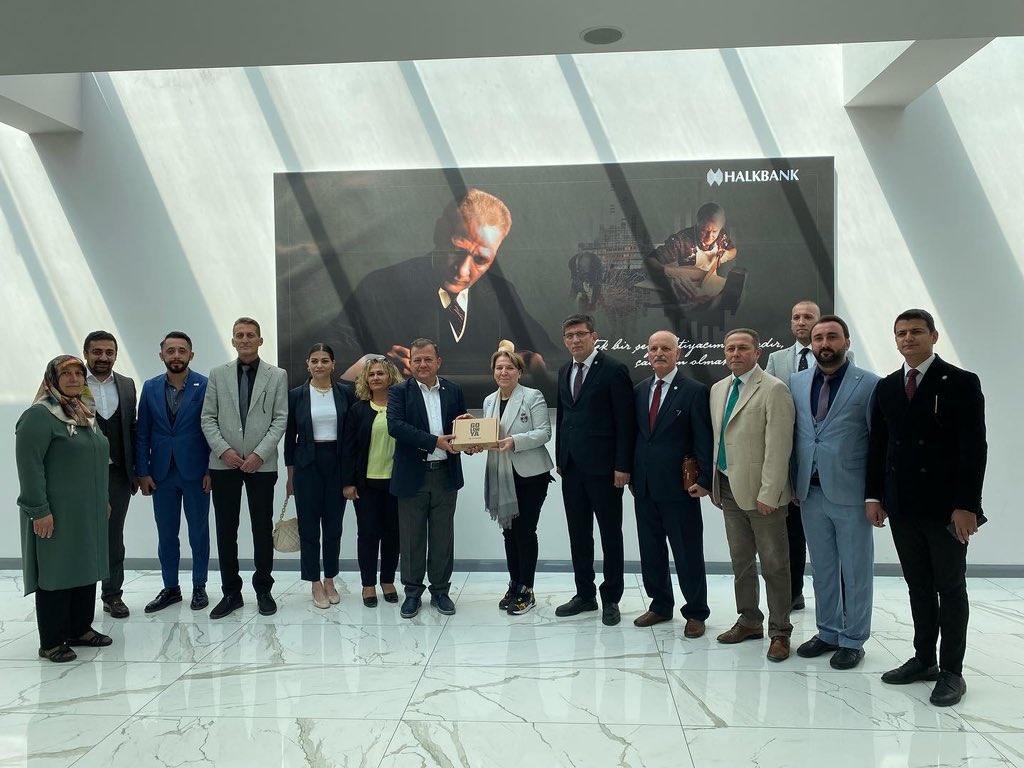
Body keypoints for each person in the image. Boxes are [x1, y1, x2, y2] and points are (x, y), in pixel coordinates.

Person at [325, 188, 560, 403]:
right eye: (457, 249)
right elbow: (328, 360)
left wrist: (530, 362)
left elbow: (550, 358)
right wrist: (377, 365)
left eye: (481, 259)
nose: (462, 271)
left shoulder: (501, 294)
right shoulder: (379, 286)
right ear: (438, 232)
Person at [867, 309, 987, 707]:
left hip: (946, 508)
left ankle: (952, 671)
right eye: (901, 333)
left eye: (916, 331)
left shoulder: (961, 382)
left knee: (950, 587)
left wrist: (967, 505)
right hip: (902, 506)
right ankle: (924, 660)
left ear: (933, 336)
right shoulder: (887, 387)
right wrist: (874, 496)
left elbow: (974, 448)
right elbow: (879, 446)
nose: (908, 338)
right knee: (918, 586)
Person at [790, 316, 879, 670]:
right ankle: (828, 631)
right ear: (811, 344)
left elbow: (878, 442)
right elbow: (796, 435)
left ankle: (853, 639)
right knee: (823, 567)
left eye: (832, 337)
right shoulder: (796, 382)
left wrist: (874, 495)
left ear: (846, 341)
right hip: (809, 492)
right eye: (818, 338)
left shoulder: (869, 384)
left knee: (855, 570)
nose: (824, 343)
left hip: (851, 493)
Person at [16, 356, 112, 662]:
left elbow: (97, 460)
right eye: (66, 373)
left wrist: (103, 499)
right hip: (55, 512)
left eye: (78, 373)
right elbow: (29, 466)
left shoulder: (85, 413)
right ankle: (52, 641)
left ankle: (80, 629)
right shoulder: (39, 416)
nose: (73, 379)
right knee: (56, 571)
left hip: (87, 511)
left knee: (85, 566)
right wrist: (39, 510)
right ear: (52, 379)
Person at [710, 328, 795, 662]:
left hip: (763, 494)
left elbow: (779, 447)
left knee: (774, 565)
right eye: (730, 348)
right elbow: (719, 440)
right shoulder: (718, 389)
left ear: (757, 353)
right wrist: (714, 483)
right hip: (728, 487)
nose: (735, 354)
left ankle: (780, 631)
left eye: (743, 348)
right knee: (741, 562)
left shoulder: (774, 389)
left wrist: (769, 492)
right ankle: (748, 620)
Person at [201, 317, 289, 619]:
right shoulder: (218, 374)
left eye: (251, 335)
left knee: (262, 528)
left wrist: (259, 454)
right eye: (240, 335)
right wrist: (224, 451)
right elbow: (207, 417)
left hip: (260, 465)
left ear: (260, 340)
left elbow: (280, 418)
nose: (245, 339)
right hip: (223, 463)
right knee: (226, 529)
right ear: (233, 341)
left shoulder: (277, 375)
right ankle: (231, 593)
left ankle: (263, 589)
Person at [630, 331, 714, 638]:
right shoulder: (639, 390)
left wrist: (705, 480)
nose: (659, 353)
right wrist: (630, 474)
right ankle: (660, 604)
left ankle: (696, 612)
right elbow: (636, 436)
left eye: (666, 348)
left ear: (677, 354)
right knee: (650, 549)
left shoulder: (694, 391)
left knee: (687, 551)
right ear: (647, 354)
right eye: (653, 348)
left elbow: (704, 438)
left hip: (681, 487)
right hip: (644, 486)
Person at [554, 314, 634, 627]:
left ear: (594, 336)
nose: (575, 340)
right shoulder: (564, 370)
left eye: (580, 334)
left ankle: (611, 597)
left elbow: (625, 421)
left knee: (610, 534)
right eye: (569, 335)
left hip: (605, 469)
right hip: (572, 467)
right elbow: (564, 417)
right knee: (578, 533)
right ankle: (584, 594)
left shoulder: (614, 369)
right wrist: (561, 457)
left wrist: (622, 465)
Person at [387, 338, 467, 619]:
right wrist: (435, 442)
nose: (422, 364)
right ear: (410, 363)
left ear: (438, 362)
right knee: (412, 538)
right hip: (412, 476)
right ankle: (412, 593)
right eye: (417, 359)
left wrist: (469, 440)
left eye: (427, 359)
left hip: (446, 474)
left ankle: (441, 591)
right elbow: (396, 427)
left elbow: (460, 427)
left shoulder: (453, 390)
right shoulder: (399, 392)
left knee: (443, 537)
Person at [474, 341, 554, 615]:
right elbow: (488, 436)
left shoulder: (532, 396)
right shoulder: (489, 401)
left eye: (509, 367)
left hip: (530, 475)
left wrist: (515, 441)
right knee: (508, 531)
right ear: (493, 372)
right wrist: (472, 435)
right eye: (499, 368)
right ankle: (514, 584)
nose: (504, 372)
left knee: (524, 531)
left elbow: (544, 432)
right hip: (501, 474)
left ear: (519, 372)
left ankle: (527, 590)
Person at [135, 331, 212, 613]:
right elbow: (142, 432)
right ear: (162, 355)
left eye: (182, 350)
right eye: (171, 351)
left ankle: (200, 586)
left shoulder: (205, 385)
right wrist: (142, 471)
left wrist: (211, 469)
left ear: (191, 355)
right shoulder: (150, 387)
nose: (176, 355)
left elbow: (212, 429)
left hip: (196, 472)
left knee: (198, 533)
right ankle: (171, 588)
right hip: (161, 474)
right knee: (166, 534)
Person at [285, 343, 353, 609]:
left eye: (325, 360)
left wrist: (351, 475)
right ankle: (314, 582)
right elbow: (289, 439)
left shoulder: (346, 393)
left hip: (337, 464)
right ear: (308, 364)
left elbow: (352, 437)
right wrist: (290, 476)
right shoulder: (296, 395)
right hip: (307, 466)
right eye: (314, 361)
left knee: (334, 527)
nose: (319, 365)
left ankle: (330, 579)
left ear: (333, 364)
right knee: (309, 527)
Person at [765, 300, 821, 611]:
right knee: (791, 533)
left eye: (808, 317)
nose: (801, 322)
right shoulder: (777, 359)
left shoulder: (840, 356)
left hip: (823, 458)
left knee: (824, 532)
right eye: (796, 317)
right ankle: (793, 593)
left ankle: (831, 598)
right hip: (789, 457)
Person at [83, 330, 138, 619]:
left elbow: (132, 429)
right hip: (80, 475)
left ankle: (112, 595)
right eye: (97, 352)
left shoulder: (127, 385)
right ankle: (79, 598)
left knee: (113, 537)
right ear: (86, 354)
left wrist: (136, 471)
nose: (103, 357)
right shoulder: (72, 381)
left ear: (115, 355)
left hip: (117, 474)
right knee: (81, 535)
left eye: (109, 352)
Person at [342, 356, 404, 607]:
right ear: (365, 380)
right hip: (366, 484)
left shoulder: (401, 408)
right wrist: (348, 482)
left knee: (393, 535)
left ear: (390, 377)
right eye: (371, 374)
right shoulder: (358, 410)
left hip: (396, 483)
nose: (376, 378)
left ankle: (387, 581)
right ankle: (368, 584)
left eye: (380, 373)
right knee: (368, 535)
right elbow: (349, 449)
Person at [645, 202, 738, 310]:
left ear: (721, 226)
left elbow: (733, 250)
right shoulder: (681, 240)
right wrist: (669, 273)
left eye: (714, 231)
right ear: (697, 223)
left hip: (711, 286)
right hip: (689, 289)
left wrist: (727, 255)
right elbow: (649, 261)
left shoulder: (722, 235)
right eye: (704, 231)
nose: (709, 237)